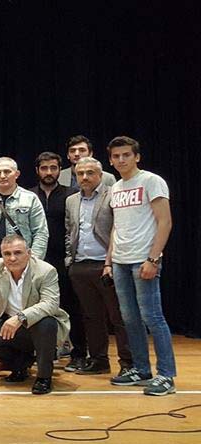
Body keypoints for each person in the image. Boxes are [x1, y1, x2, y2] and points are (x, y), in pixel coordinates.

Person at [105, 136, 176, 396]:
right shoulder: (115, 188)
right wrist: (109, 261)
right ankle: (141, 369)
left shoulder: (151, 181)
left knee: (152, 317)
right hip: (121, 261)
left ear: (137, 156)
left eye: (126, 154)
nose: (121, 159)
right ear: (110, 160)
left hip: (143, 259)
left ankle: (166, 375)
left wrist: (153, 259)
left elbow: (165, 222)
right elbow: (116, 226)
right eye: (116, 156)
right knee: (129, 318)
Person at [0, 235, 70, 395]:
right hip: (8, 324)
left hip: (37, 324)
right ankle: (20, 366)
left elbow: (51, 304)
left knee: (47, 323)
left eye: (18, 252)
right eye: (7, 253)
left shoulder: (46, 271)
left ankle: (44, 377)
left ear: (29, 253)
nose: (12, 258)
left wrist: (21, 317)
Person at [65, 157, 132, 375]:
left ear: (100, 175)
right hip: (80, 266)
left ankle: (128, 363)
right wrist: (70, 260)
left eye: (90, 173)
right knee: (91, 317)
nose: (84, 177)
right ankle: (99, 360)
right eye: (80, 173)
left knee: (118, 317)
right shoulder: (71, 200)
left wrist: (110, 262)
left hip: (107, 265)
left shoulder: (112, 195)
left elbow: (119, 229)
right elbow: (69, 232)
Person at [28, 152, 82, 370]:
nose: (49, 172)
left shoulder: (71, 194)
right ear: (37, 171)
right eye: (44, 168)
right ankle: (40, 353)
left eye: (53, 168)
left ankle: (79, 353)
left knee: (72, 306)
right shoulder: (29, 195)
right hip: (35, 261)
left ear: (60, 170)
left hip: (64, 260)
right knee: (36, 307)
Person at [0, 157, 48, 265]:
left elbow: (40, 232)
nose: (2, 176)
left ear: (17, 174)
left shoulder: (30, 199)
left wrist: (33, 261)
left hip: (24, 263)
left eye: (7, 171)